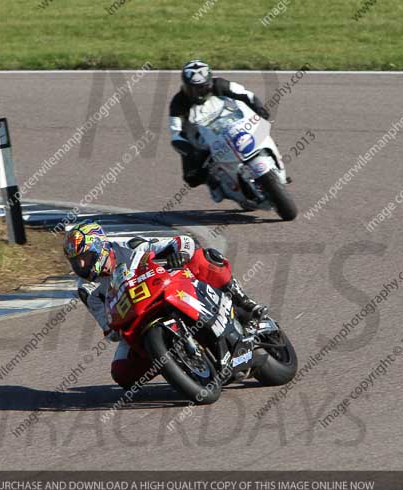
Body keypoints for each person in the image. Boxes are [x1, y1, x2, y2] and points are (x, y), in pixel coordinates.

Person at [63, 221, 267, 388]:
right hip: (135, 319)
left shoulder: (129, 245)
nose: (81, 266)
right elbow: (108, 328)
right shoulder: (86, 289)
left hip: (165, 288)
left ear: (101, 247)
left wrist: (179, 254)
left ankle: (243, 302)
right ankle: (175, 363)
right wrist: (115, 325)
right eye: (76, 262)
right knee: (122, 373)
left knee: (201, 256)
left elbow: (183, 241)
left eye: (85, 258)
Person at [169, 59, 271, 203]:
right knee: (192, 177)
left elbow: (246, 95)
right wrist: (190, 150)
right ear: (185, 86)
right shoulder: (178, 102)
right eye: (193, 88)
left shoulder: (221, 84)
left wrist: (260, 109)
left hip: (231, 121)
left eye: (202, 87)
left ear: (209, 82)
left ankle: (271, 155)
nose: (197, 93)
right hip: (200, 134)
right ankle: (214, 182)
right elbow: (176, 133)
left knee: (262, 127)